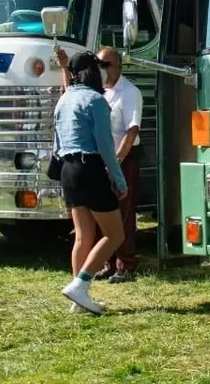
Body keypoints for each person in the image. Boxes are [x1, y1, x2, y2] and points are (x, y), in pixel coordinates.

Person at [52, 51, 128, 315]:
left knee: (83, 236)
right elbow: (106, 146)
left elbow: (57, 142)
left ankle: (79, 300)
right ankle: (81, 286)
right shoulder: (96, 100)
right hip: (90, 168)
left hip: (68, 170)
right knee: (115, 234)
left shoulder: (64, 100)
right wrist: (119, 179)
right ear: (93, 71)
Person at [94, 46, 143, 283]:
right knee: (104, 213)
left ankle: (126, 264)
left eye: (107, 64)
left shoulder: (129, 92)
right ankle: (108, 262)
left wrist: (117, 164)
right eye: (99, 65)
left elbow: (131, 131)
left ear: (119, 66)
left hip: (124, 159)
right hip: (101, 161)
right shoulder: (97, 92)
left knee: (124, 213)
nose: (102, 69)